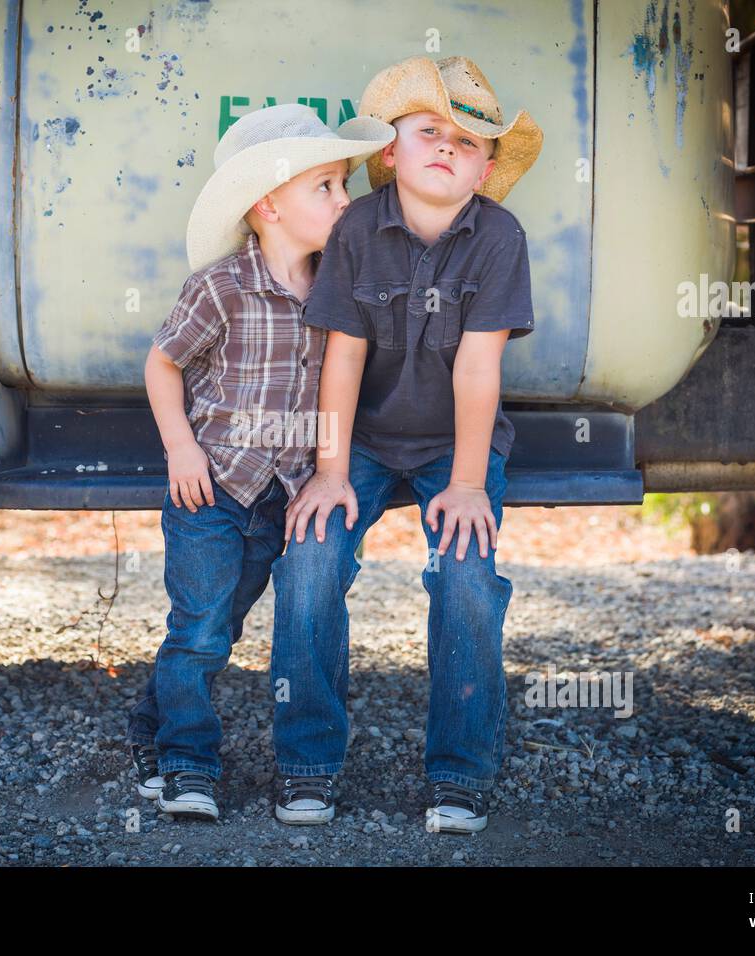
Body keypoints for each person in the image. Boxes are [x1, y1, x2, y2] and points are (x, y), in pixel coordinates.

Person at [269, 55, 543, 833]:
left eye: (468, 140)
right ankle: (307, 767)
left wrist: (465, 484)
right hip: (358, 439)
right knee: (311, 560)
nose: (448, 147)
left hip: (454, 443)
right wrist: (328, 470)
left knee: (464, 574)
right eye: (430, 131)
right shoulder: (357, 228)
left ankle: (458, 775)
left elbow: (479, 367)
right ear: (391, 151)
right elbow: (342, 356)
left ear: (487, 168)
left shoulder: (498, 237)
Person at [126, 103, 394, 820]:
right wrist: (180, 446)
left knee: (227, 623)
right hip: (210, 490)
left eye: (344, 185)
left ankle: (151, 730)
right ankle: (187, 762)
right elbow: (162, 365)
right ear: (268, 205)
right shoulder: (220, 287)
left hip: (285, 492)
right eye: (327, 187)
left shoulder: (335, 290)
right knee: (202, 630)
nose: (346, 201)